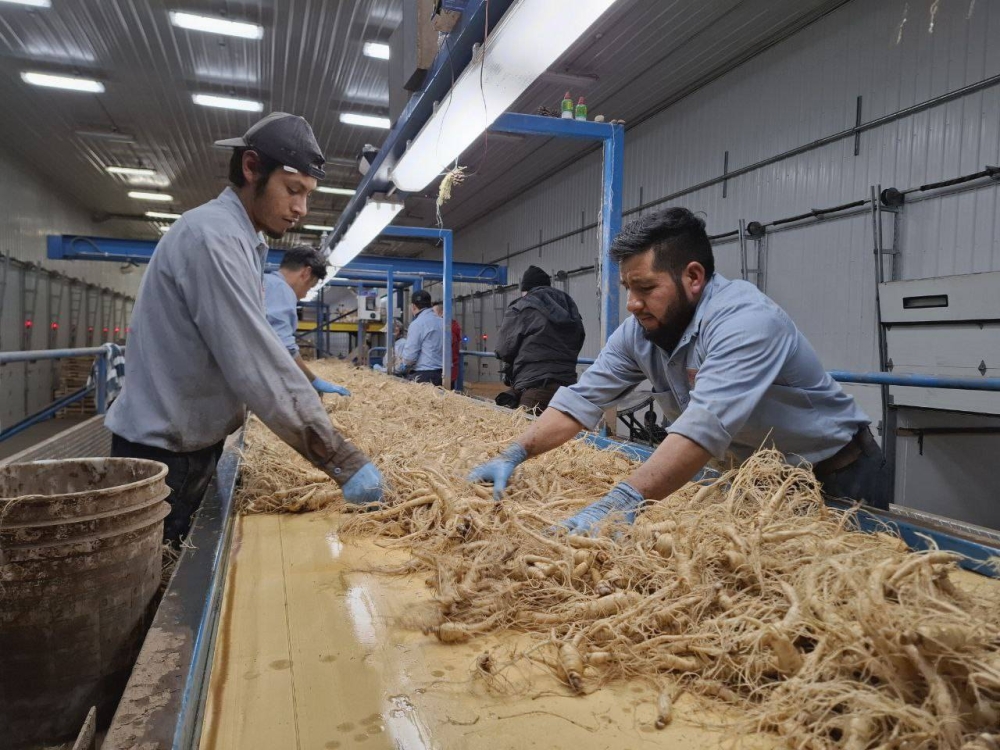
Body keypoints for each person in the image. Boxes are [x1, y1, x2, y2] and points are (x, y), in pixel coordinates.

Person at [468, 207, 888, 534]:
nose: (633, 303)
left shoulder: (745, 322)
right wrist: (516, 452)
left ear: (693, 277)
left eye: (646, 288)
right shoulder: (640, 331)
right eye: (628, 289)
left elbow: (701, 429)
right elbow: (582, 400)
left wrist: (621, 499)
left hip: (836, 473)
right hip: (759, 479)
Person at [106, 112, 387, 545]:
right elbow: (255, 360)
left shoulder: (241, 239)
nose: (301, 209)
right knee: (156, 583)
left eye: (308, 195)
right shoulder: (213, 238)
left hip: (187, 444)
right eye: (293, 190)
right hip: (162, 457)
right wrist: (342, 460)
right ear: (251, 167)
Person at [493, 266, 586, 415]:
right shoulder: (568, 305)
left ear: (525, 289)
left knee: (525, 434)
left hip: (535, 388)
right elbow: (579, 338)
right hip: (567, 386)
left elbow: (503, 349)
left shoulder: (522, 306)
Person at [263, 245, 350, 396]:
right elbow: (283, 347)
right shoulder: (281, 290)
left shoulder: (267, 282)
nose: (304, 295)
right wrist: (313, 380)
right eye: (310, 287)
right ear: (306, 272)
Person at [395, 290, 444, 384]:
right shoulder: (442, 322)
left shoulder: (417, 324)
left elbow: (410, 356)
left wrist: (400, 367)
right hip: (443, 373)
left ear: (413, 306)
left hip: (424, 375)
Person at [432, 300, 462, 387]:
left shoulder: (448, 331)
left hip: (447, 370)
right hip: (447, 369)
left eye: (434, 314)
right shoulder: (451, 328)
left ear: (442, 313)